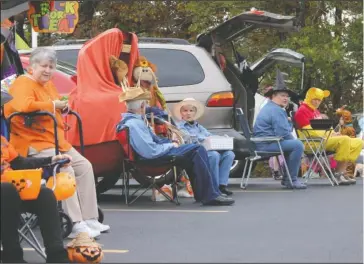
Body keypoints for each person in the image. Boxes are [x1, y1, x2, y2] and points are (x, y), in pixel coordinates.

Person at [3, 47, 109, 238]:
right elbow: (23, 106)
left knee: (85, 166)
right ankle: (75, 223)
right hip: (33, 143)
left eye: (51, 67)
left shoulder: (48, 84)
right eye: (44, 66)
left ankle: (90, 218)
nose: (48, 70)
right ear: (31, 68)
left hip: (56, 141)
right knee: (64, 168)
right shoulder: (23, 83)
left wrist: (63, 105)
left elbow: (57, 101)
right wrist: (53, 105)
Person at [116, 87, 234, 205]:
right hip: (152, 157)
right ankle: (210, 195)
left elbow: (153, 144)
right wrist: (172, 145)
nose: (146, 106)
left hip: (152, 154)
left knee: (193, 154)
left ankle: (205, 194)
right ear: (142, 106)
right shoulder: (135, 124)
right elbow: (150, 151)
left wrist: (169, 143)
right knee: (197, 149)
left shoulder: (133, 122)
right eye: (145, 104)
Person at [1, 89, 71, 263]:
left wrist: (51, 159)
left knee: (45, 194)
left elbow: (19, 163)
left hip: (13, 191)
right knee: (7, 190)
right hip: (6, 193)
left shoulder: (2, 140)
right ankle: (12, 255)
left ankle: (56, 255)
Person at [294, 87, 363, 184]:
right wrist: (331, 135)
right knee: (345, 140)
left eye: (319, 100)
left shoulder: (315, 111)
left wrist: (333, 133)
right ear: (309, 97)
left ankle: (343, 171)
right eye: (315, 99)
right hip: (312, 143)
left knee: (358, 142)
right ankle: (339, 174)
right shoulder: (302, 110)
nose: (317, 102)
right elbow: (310, 132)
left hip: (324, 139)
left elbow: (325, 126)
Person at [253, 70, 306, 189]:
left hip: (265, 142)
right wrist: (294, 137)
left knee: (294, 145)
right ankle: (291, 180)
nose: (286, 98)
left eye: (287, 96)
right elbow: (282, 133)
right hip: (266, 144)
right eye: (282, 95)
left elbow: (282, 133)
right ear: (273, 96)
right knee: (297, 145)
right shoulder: (276, 110)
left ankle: (288, 179)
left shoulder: (272, 108)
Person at [173, 98, 235, 196]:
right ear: (181, 113)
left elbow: (209, 135)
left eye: (191, 111)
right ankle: (213, 187)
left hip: (205, 150)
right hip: (193, 153)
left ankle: (221, 185)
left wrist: (220, 138)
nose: (188, 113)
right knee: (214, 155)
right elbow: (188, 138)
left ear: (195, 113)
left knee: (229, 154)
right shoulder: (180, 127)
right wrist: (205, 138)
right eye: (185, 111)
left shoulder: (198, 126)